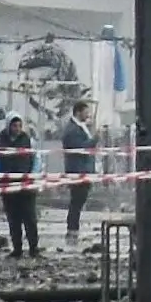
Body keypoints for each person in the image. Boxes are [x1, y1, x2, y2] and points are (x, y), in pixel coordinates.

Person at [0, 114, 40, 258]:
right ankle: (17, 249)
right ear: (9, 126)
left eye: (19, 126)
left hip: (26, 185)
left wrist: (32, 176)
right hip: (8, 185)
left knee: (30, 218)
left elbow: (36, 160)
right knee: (14, 219)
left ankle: (34, 248)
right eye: (14, 126)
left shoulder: (28, 140)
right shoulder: (0, 140)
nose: (17, 129)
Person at [59, 100, 99, 247]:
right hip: (78, 171)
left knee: (78, 201)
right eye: (86, 111)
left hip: (84, 171)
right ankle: (72, 229)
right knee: (76, 202)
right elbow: (80, 149)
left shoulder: (80, 127)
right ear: (78, 112)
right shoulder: (72, 130)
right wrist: (95, 139)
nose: (88, 114)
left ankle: (73, 229)